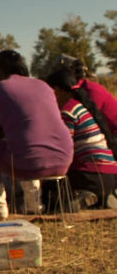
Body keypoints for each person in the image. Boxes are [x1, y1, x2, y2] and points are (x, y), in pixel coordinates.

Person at [0, 50, 73, 220]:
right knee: (24, 144)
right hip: (64, 158)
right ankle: (33, 203)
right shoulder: (44, 85)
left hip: (28, 164)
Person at [46, 68, 117, 209]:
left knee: (49, 192)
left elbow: (64, 151)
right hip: (110, 176)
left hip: (88, 175)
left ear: (56, 90)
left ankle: (78, 198)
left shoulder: (67, 111)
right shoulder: (82, 108)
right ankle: (103, 197)